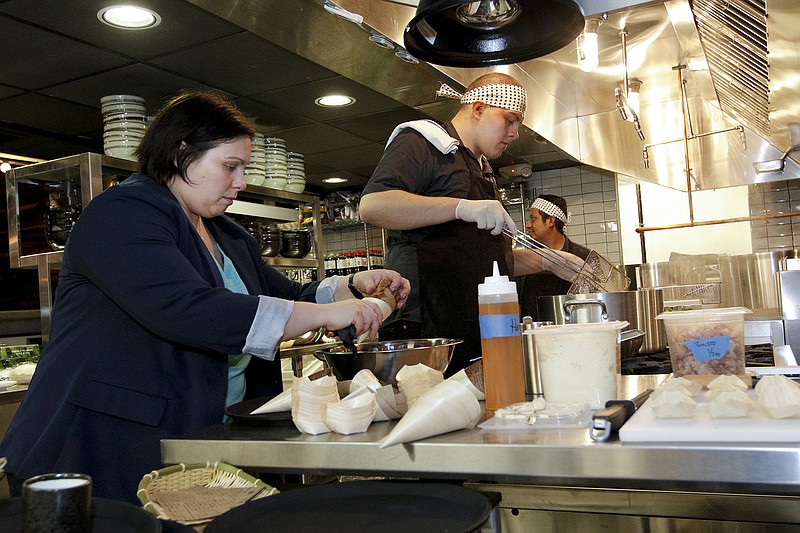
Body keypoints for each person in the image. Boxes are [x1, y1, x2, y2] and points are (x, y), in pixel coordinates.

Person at [0, 91, 410, 504]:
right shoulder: (122, 213)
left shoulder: (224, 232)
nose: (240, 183)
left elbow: (285, 294)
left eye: (243, 168)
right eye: (229, 166)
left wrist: (352, 286)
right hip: (99, 444)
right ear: (181, 154)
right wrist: (333, 314)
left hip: (197, 437)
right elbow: (189, 309)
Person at [359, 73, 582, 376]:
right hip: (428, 332)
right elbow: (372, 205)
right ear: (478, 109)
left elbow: (485, 259)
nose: (515, 133)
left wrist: (551, 261)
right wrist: (461, 207)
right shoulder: (423, 141)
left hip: (474, 330)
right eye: (510, 120)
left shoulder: (483, 171)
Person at [518, 194, 592, 320]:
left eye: (533, 218)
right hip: (534, 335)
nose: (528, 225)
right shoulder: (526, 261)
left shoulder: (582, 258)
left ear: (550, 221)